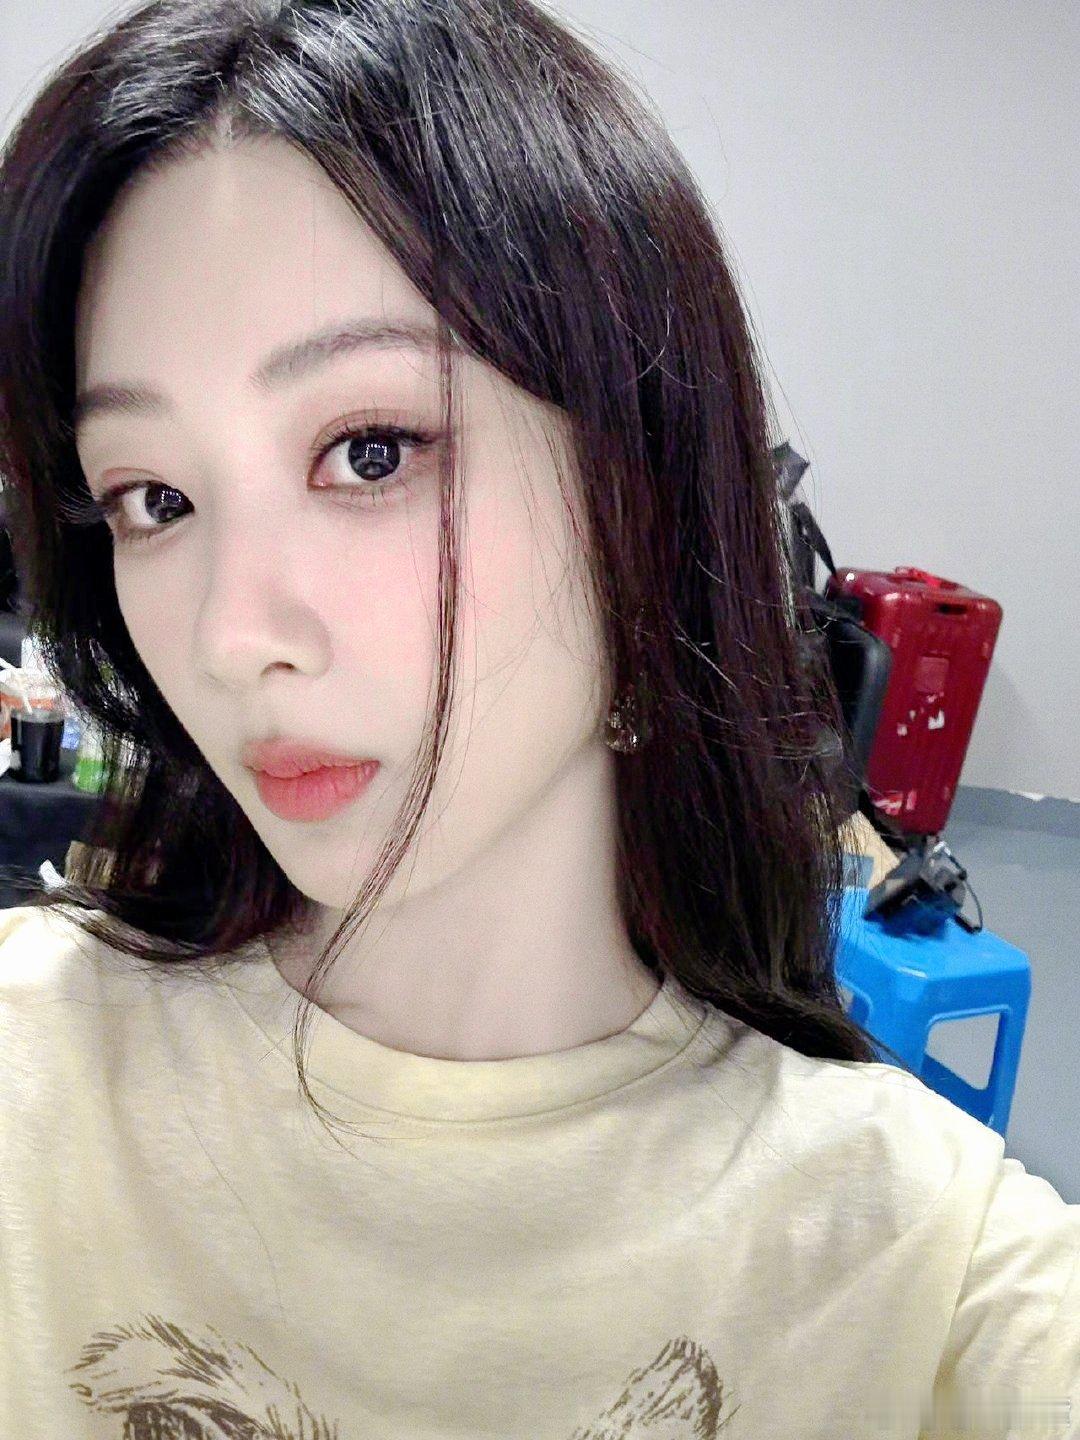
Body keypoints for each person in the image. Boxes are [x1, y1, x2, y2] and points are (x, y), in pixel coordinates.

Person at [0, 1, 1075, 1435]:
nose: (229, 634)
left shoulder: (921, 1267)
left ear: (645, 491)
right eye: (156, 498)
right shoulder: (31, 1069)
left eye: (368, 451)